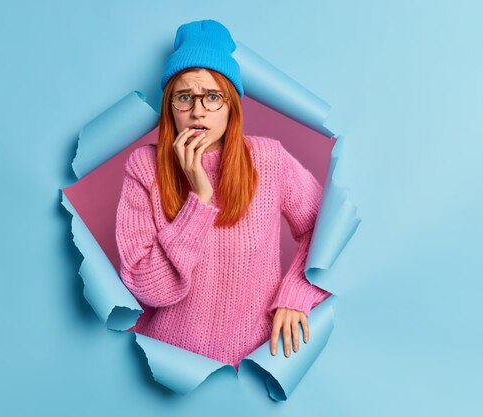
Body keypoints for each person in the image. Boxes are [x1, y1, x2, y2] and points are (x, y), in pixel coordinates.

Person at [115, 19, 330, 369]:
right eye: (184, 97)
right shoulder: (144, 167)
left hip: (256, 363)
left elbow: (329, 230)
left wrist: (297, 295)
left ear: (232, 106)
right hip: (168, 365)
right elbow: (148, 288)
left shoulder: (268, 159)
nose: (198, 110)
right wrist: (198, 198)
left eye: (212, 96)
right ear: (170, 107)